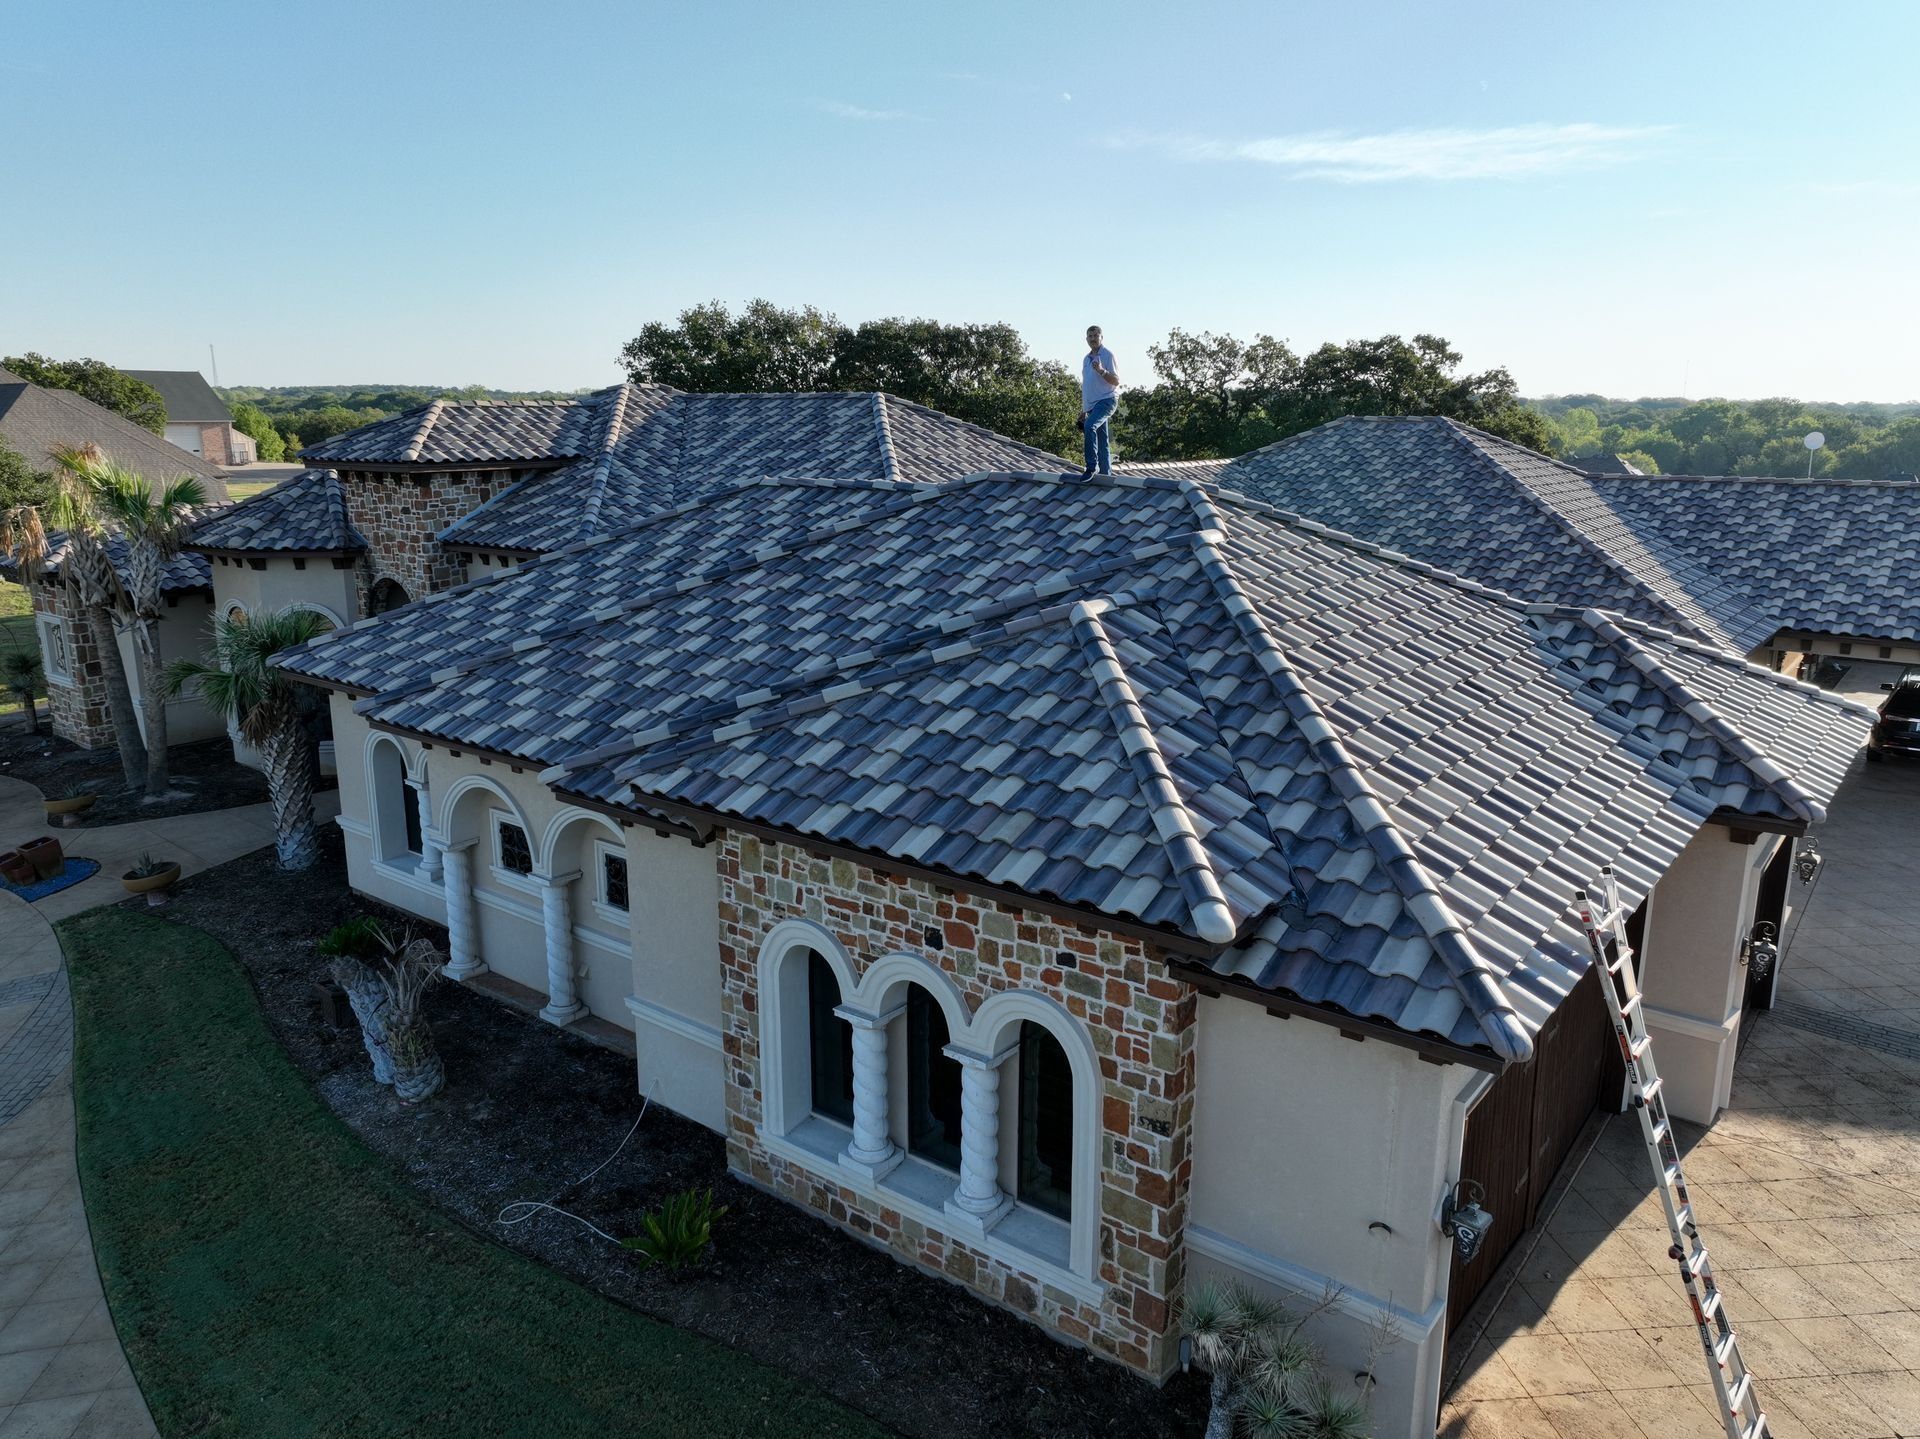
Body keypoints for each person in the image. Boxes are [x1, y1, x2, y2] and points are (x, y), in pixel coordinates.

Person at [1080, 325, 1120, 476]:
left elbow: (1116, 381)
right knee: (1103, 440)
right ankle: (1105, 474)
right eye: (1090, 336)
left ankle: (1091, 467)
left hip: (1107, 400)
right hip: (1092, 404)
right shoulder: (1086, 359)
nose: (1093, 339)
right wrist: (1084, 409)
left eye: (1096, 336)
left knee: (1089, 427)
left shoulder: (1108, 355)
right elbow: (1087, 385)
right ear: (1086, 339)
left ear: (1101, 337)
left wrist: (1101, 371)